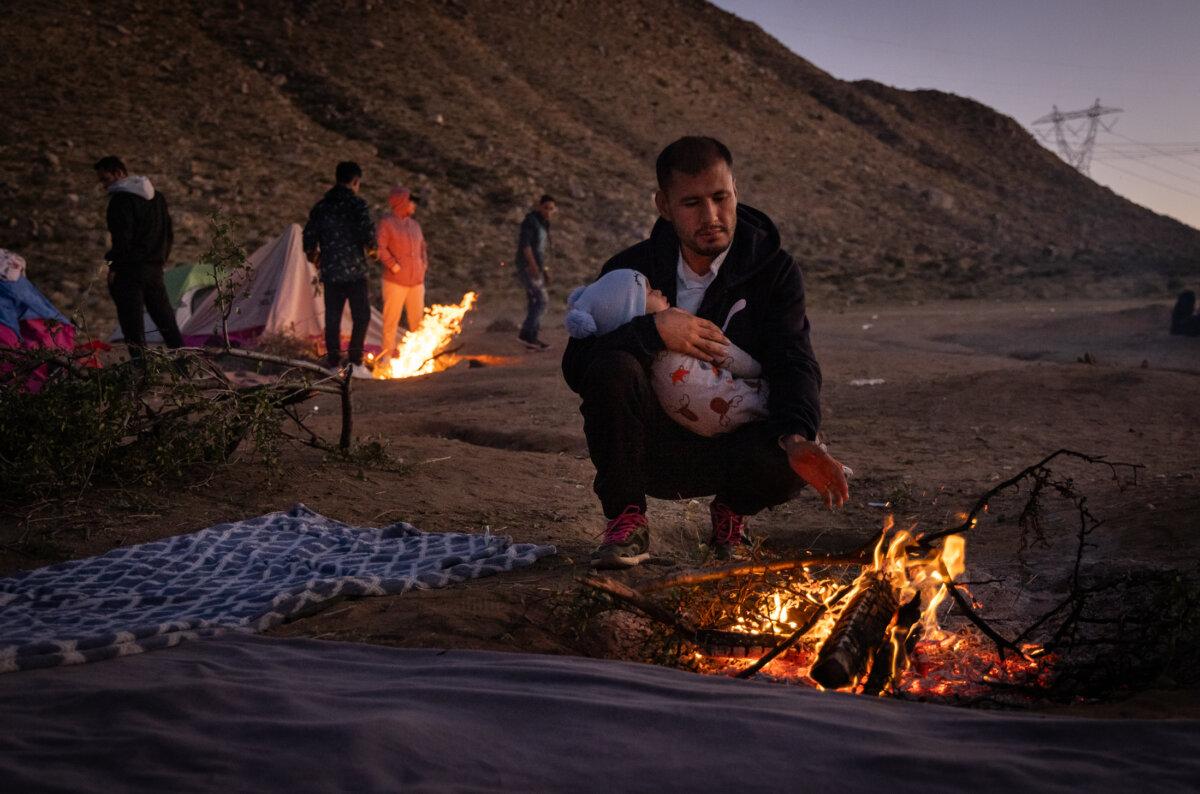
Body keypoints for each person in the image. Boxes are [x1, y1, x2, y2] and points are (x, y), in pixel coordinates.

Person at [562, 136, 849, 569]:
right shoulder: (630, 273)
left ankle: (731, 513)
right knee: (612, 365)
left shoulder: (774, 270)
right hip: (652, 448)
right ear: (663, 205)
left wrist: (797, 437)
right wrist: (655, 330)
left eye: (721, 197)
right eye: (692, 203)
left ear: (736, 191)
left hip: (736, 448)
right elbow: (578, 366)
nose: (711, 216)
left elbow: (793, 359)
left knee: (791, 447)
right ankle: (627, 520)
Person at [565, 268, 768, 438]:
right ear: (634, 309)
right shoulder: (675, 323)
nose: (659, 291)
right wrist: (760, 369)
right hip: (737, 401)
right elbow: (720, 349)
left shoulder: (647, 361)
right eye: (650, 291)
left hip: (700, 424)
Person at [95, 155, 183, 361]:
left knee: (132, 326)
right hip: (154, 268)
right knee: (166, 321)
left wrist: (114, 267)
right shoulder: (158, 198)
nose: (103, 186)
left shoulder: (120, 201)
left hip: (129, 270)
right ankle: (185, 366)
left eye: (105, 179)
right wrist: (160, 258)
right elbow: (168, 234)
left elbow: (122, 239)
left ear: (118, 173)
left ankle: (141, 372)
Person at [303, 161, 375, 378]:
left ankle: (334, 363)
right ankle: (355, 362)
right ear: (355, 181)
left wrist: (315, 257)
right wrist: (373, 250)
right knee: (361, 316)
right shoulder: (357, 205)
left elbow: (308, 239)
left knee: (332, 318)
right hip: (355, 272)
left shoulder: (322, 207)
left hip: (332, 272)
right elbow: (368, 236)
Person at [377, 186, 428, 360]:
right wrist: (393, 265)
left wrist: (423, 266)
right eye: (411, 201)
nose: (414, 205)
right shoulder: (387, 223)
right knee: (391, 323)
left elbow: (422, 248)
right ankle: (385, 360)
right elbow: (380, 247)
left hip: (416, 282)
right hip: (395, 282)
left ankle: (419, 359)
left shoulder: (414, 225)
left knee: (418, 323)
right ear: (402, 202)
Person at [515, 194, 556, 350]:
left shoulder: (543, 224)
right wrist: (532, 266)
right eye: (546, 208)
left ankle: (531, 338)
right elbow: (526, 246)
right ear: (539, 207)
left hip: (536, 267)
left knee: (535, 301)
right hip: (527, 267)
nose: (548, 211)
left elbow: (539, 251)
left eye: (551, 209)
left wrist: (544, 270)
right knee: (541, 300)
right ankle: (526, 335)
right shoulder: (531, 222)